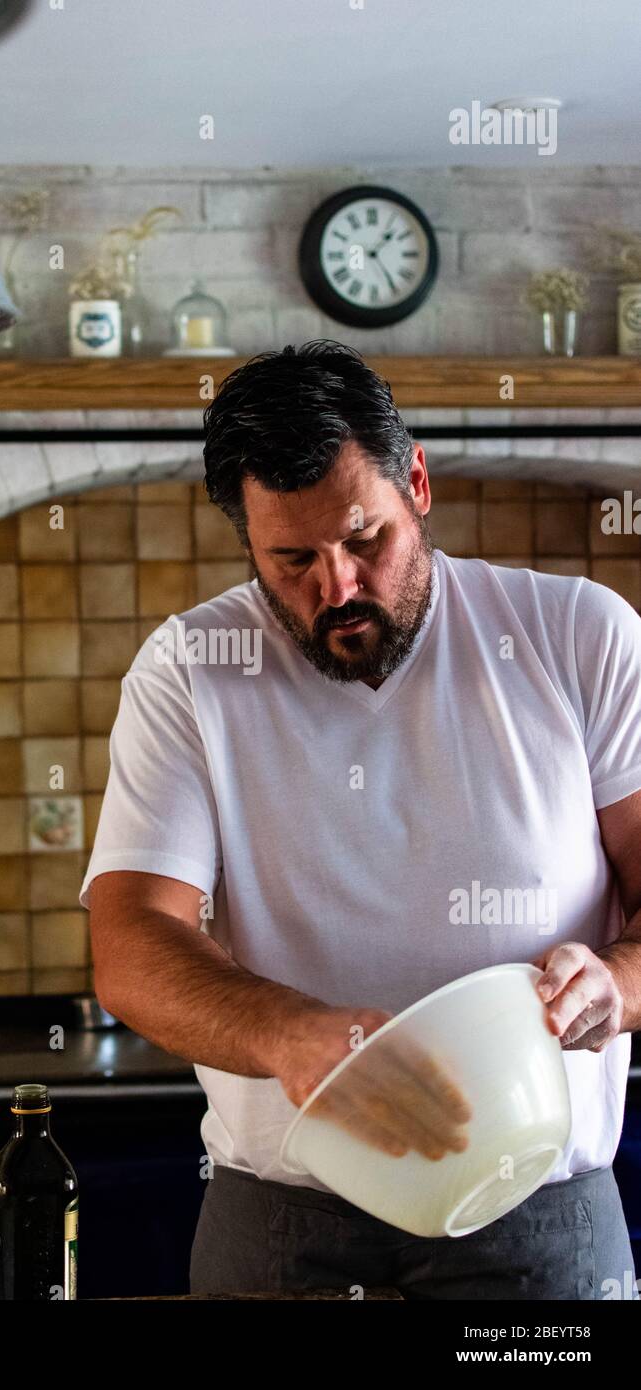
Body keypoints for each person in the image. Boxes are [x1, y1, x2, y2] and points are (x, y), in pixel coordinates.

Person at [80, 341, 641, 1300]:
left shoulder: (581, 634)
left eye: (365, 540)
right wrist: (287, 1034)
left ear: (414, 481)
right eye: (291, 559)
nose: (336, 587)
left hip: (539, 1217)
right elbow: (132, 944)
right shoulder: (191, 670)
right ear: (247, 542)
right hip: (281, 1225)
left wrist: (619, 984)